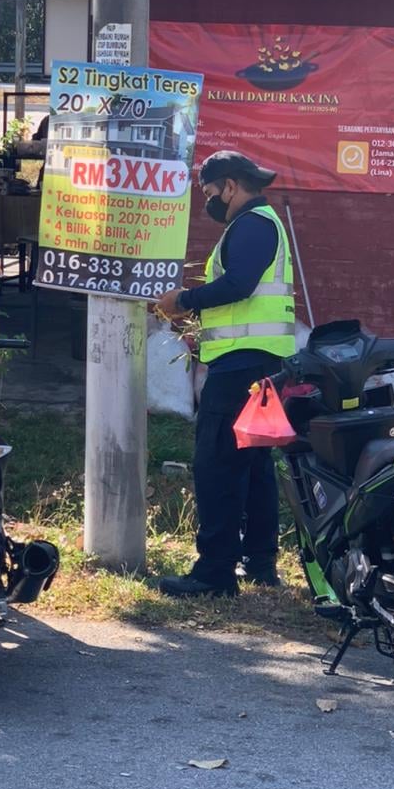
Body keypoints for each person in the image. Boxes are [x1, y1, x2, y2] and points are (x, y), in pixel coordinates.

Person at [155, 151, 297, 597]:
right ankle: (259, 563)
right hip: (259, 363)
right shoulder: (260, 223)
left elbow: (239, 285)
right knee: (253, 465)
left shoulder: (253, 225)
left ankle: (215, 572)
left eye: (210, 192)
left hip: (242, 366)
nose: (209, 202)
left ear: (231, 185)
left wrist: (183, 300)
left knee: (216, 464)